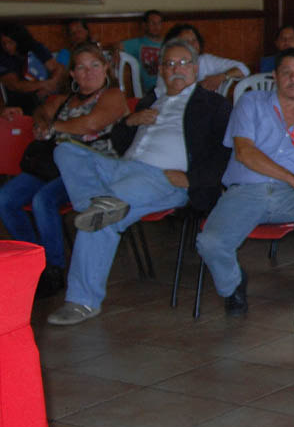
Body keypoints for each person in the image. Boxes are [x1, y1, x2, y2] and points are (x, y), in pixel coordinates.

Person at [46, 38, 231, 325]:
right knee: (67, 151)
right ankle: (101, 203)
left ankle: (81, 302)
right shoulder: (150, 99)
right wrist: (129, 123)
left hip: (166, 180)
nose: (176, 69)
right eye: (169, 64)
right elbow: (119, 143)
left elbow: (226, 152)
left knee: (100, 221)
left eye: (183, 63)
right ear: (161, 70)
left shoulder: (212, 104)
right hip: (124, 170)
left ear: (195, 68)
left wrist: (192, 179)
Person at [195, 49, 294, 329]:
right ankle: (233, 283)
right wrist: (293, 178)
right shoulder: (250, 102)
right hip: (247, 190)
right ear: (275, 77)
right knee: (209, 243)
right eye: (287, 73)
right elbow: (245, 153)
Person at [0, 42, 125, 299]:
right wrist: (41, 122)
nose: (88, 72)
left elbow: (90, 124)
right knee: (5, 199)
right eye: (81, 67)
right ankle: (36, 262)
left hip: (90, 169)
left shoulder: (113, 96)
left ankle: (54, 269)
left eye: (94, 65)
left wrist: (53, 127)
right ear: (72, 74)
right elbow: (41, 111)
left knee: (42, 200)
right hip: (51, 167)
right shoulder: (63, 99)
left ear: (105, 69)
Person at [160, 23, 249, 92]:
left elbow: (243, 69)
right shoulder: (168, 65)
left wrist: (222, 77)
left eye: (194, 40)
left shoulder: (205, 60)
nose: (193, 44)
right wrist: (199, 87)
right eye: (186, 41)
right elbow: (165, 94)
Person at [0, 21, 63, 115]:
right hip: (21, 102)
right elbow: (15, 85)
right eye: (3, 43)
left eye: (10, 42)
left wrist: (50, 85)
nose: (7, 47)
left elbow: (57, 69)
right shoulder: (3, 58)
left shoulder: (36, 48)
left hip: (47, 94)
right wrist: (45, 84)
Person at [121, 10, 167, 94]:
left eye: (159, 23)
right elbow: (117, 46)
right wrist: (116, 52)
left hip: (168, 89)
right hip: (148, 92)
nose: (156, 26)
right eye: (153, 23)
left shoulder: (169, 43)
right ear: (145, 25)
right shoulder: (138, 43)